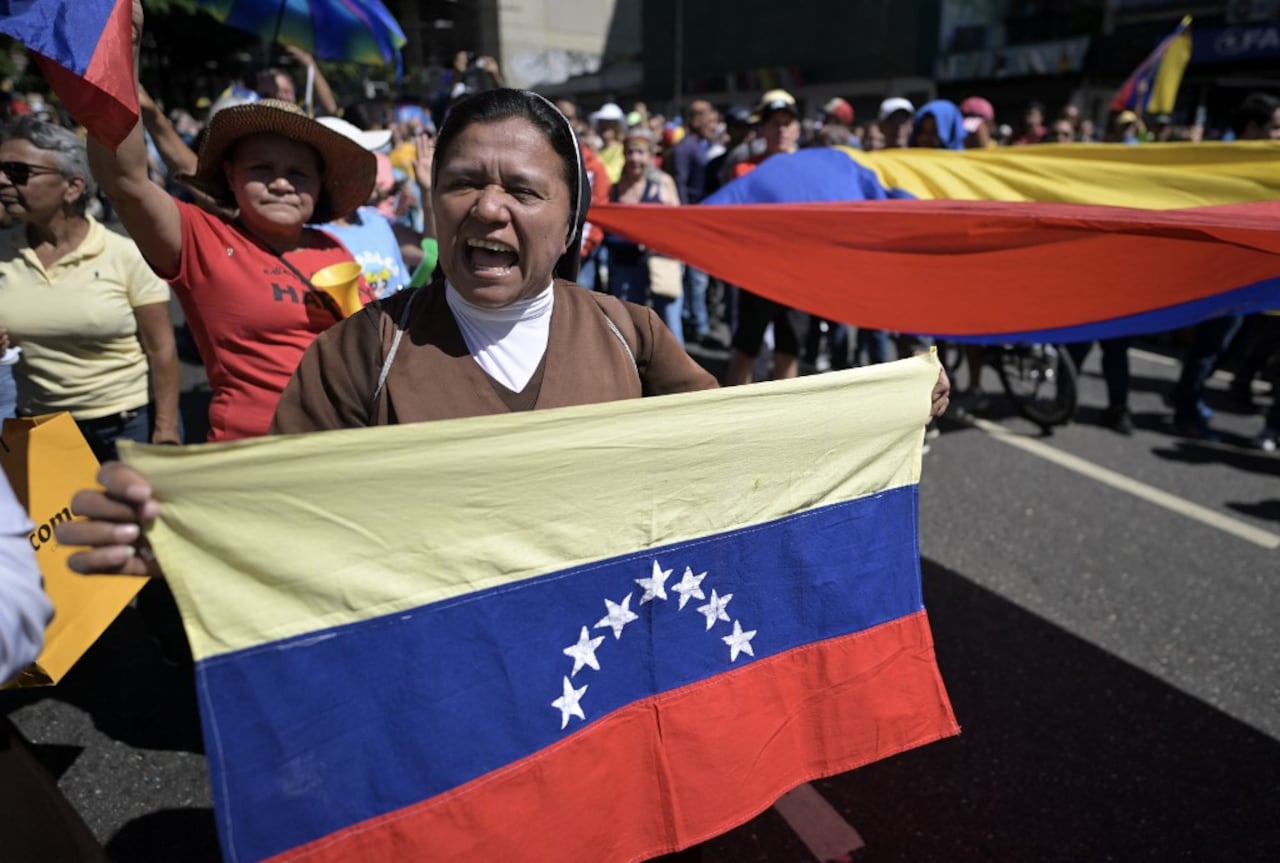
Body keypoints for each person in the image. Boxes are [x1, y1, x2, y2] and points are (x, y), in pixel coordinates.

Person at [69, 0, 377, 442]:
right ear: (230, 176)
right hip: (251, 460)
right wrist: (122, 52)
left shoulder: (331, 247)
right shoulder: (199, 237)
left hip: (347, 449)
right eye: (260, 170)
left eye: (298, 174)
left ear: (318, 187)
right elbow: (126, 181)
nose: (281, 184)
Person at [0, 117, 182, 461]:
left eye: (17, 172)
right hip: (39, 428)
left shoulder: (126, 254)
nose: (2, 181)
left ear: (73, 186)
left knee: (136, 517)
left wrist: (167, 428)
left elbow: (162, 350)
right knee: (58, 518)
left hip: (127, 427)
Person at [603, 127, 684, 344]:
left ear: (650, 156)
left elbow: (678, 223)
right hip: (626, 264)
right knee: (628, 323)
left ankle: (678, 374)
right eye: (630, 152)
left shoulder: (663, 184)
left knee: (669, 324)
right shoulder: (615, 189)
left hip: (661, 262)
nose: (635, 158)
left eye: (640, 152)